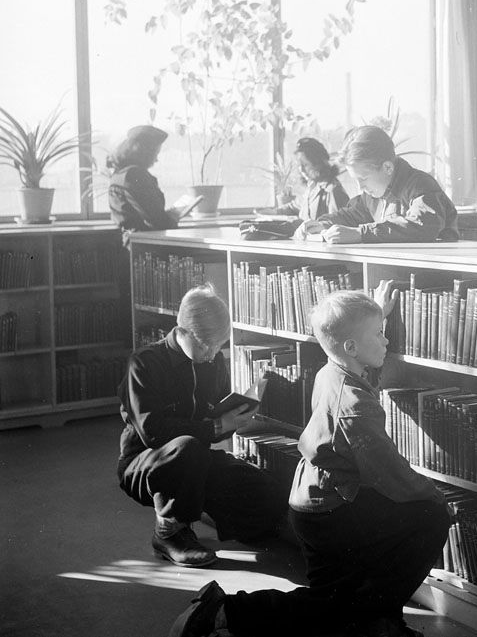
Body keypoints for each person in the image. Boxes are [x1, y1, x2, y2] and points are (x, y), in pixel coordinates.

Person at [168, 286, 451, 637]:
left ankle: (380, 621)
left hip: (313, 501)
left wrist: (372, 314)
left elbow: (355, 352)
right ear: (351, 346)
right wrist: (437, 497)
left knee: (336, 599)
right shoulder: (355, 407)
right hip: (330, 511)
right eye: (379, 333)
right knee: (430, 519)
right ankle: (223, 612)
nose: (387, 340)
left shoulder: (332, 369)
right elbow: (390, 473)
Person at [117, 284, 287, 568]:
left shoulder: (212, 361)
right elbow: (153, 433)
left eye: (218, 345)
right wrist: (216, 427)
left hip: (195, 461)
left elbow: (212, 413)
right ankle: (168, 532)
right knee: (188, 448)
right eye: (205, 345)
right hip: (146, 464)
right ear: (181, 331)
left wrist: (234, 417)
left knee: (266, 490)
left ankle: (201, 510)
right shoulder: (143, 364)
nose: (211, 353)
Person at [293, 125, 458, 243]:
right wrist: (322, 224)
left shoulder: (421, 185)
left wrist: (361, 233)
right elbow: (348, 215)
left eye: (363, 178)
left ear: (387, 167)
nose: (360, 187)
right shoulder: (371, 197)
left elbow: (421, 225)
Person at [107, 124, 184, 246]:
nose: (156, 159)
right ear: (144, 152)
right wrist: (174, 217)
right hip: (146, 244)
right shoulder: (134, 175)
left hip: (132, 243)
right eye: (156, 153)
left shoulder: (118, 174)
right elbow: (157, 220)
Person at [279, 137, 349, 221]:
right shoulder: (312, 187)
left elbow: (338, 228)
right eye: (299, 165)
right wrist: (267, 212)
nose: (301, 169)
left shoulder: (333, 191)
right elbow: (293, 207)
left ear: (318, 164)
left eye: (305, 164)